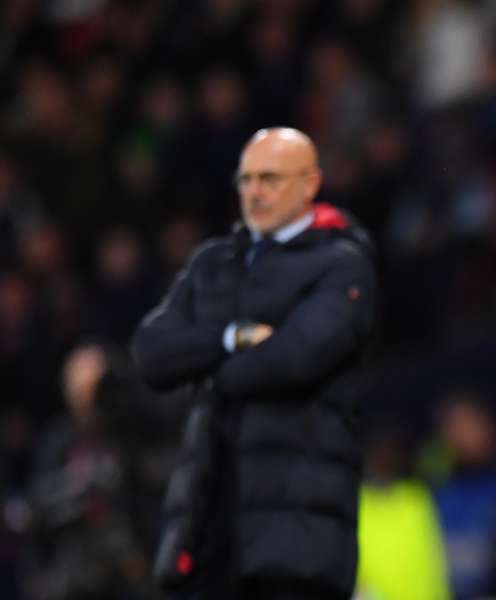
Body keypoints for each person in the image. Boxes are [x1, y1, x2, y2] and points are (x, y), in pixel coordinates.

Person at [132, 128, 377, 600]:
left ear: (310, 183)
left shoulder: (342, 263)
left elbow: (294, 359)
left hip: (296, 532)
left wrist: (207, 368)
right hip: (207, 521)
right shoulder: (213, 263)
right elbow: (151, 350)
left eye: (270, 178)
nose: (254, 192)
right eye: (245, 180)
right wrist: (233, 337)